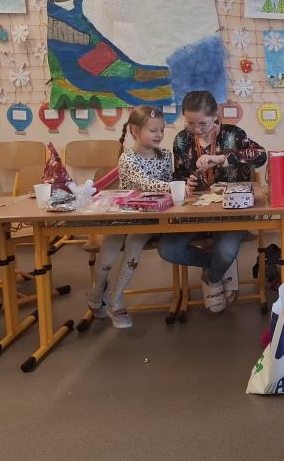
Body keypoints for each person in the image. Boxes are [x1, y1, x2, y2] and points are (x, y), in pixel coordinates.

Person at [157, 90, 267, 313]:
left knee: (226, 251)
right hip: (195, 212)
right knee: (168, 249)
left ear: (215, 116)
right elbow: (179, 176)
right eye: (190, 123)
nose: (196, 130)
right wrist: (186, 183)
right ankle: (221, 267)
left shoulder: (232, 134)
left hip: (231, 211)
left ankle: (213, 278)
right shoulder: (182, 140)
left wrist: (222, 158)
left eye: (203, 124)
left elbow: (261, 155)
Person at [87, 106, 172, 329]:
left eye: (162, 130)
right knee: (107, 257)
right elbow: (145, 183)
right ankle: (96, 292)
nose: (159, 135)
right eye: (153, 130)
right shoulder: (127, 158)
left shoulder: (166, 156)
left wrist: (176, 187)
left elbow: (164, 187)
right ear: (135, 131)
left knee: (135, 241)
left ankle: (116, 299)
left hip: (151, 218)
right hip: (124, 216)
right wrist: (174, 186)